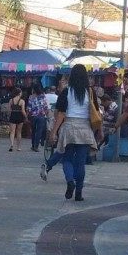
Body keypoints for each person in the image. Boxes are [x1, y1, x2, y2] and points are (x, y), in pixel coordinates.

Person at [46, 63, 98, 202]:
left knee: (67, 159)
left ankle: (70, 181)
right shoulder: (90, 92)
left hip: (69, 127)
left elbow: (61, 114)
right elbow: (96, 113)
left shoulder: (66, 92)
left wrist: (53, 132)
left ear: (71, 76)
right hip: (85, 129)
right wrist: (99, 131)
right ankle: (79, 193)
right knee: (80, 163)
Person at [27, 82, 50, 151]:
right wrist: (46, 115)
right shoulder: (43, 96)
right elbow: (46, 107)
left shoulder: (31, 97)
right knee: (39, 131)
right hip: (41, 116)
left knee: (33, 131)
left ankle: (33, 145)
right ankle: (36, 146)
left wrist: (28, 115)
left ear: (34, 89)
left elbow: (29, 108)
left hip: (33, 116)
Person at [6, 87, 26, 151]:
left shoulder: (11, 100)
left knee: (12, 131)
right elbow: (23, 110)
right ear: (19, 93)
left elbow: (9, 110)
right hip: (20, 115)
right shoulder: (22, 101)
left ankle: (12, 144)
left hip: (13, 115)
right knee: (19, 132)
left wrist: (9, 116)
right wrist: (26, 116)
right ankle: (18, 147)